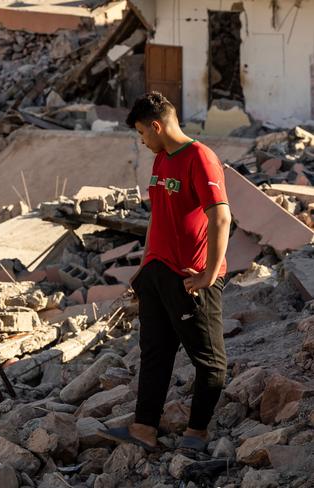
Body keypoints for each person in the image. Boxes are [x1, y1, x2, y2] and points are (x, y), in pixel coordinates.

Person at [100, 92, 231, 453]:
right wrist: (144, 266)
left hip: (189, 276)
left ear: (156, 126)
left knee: (209, 360)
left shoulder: (200, 158)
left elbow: (220, 216)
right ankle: (144, 427)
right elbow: (158, 216)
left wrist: (208, 273)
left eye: (143, 133)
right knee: (155, 353)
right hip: (157, 274)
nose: (142, 142)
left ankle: (197, 432)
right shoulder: (161, 160)